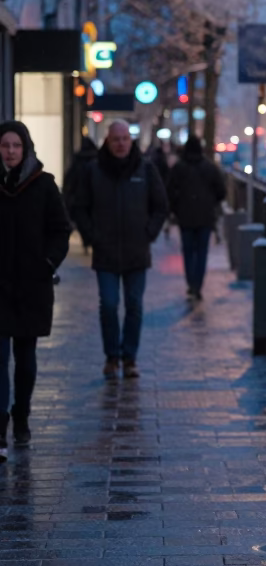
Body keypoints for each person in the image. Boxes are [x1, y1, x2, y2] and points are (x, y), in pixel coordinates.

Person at [72, 120, 168, 379]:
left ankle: (130, 357)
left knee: (134, 305)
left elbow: (161, 206)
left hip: (137, 252)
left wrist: (149, 233)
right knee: (109, 304)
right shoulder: (94, 170)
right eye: (116, 139)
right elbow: (79, 206)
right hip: (105, 253)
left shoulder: (146, 169)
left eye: (125, 138)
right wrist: (91, 237)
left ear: (131, 140)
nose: (121, 143)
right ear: (108, 141)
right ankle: (112, 356)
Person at [0, 121, 71, 459]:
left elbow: (60, 230)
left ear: (25, 148)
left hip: (32, 286)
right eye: (4, 146)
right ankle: (0, 424)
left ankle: (22, 415)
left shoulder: (43, 185)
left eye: (15, 146)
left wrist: (47, 264)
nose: (10, 152)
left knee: (25, 360)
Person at [166, 134, 226, 301]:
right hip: (205, 217)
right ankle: (197, 284)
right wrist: (210, 202)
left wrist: (175, 209)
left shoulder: (178, 168)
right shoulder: (210, 168)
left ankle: (191, 283)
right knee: (201, 252)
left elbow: (170, 191)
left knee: (188, 251)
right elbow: (221, 192)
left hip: (185, 217)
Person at [62, 136, 98, 250]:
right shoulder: (96, 161)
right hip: (93, 196)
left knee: (81, 217)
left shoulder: (77, 161)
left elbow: (70, 180)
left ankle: (86, 240)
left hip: (78, 196)